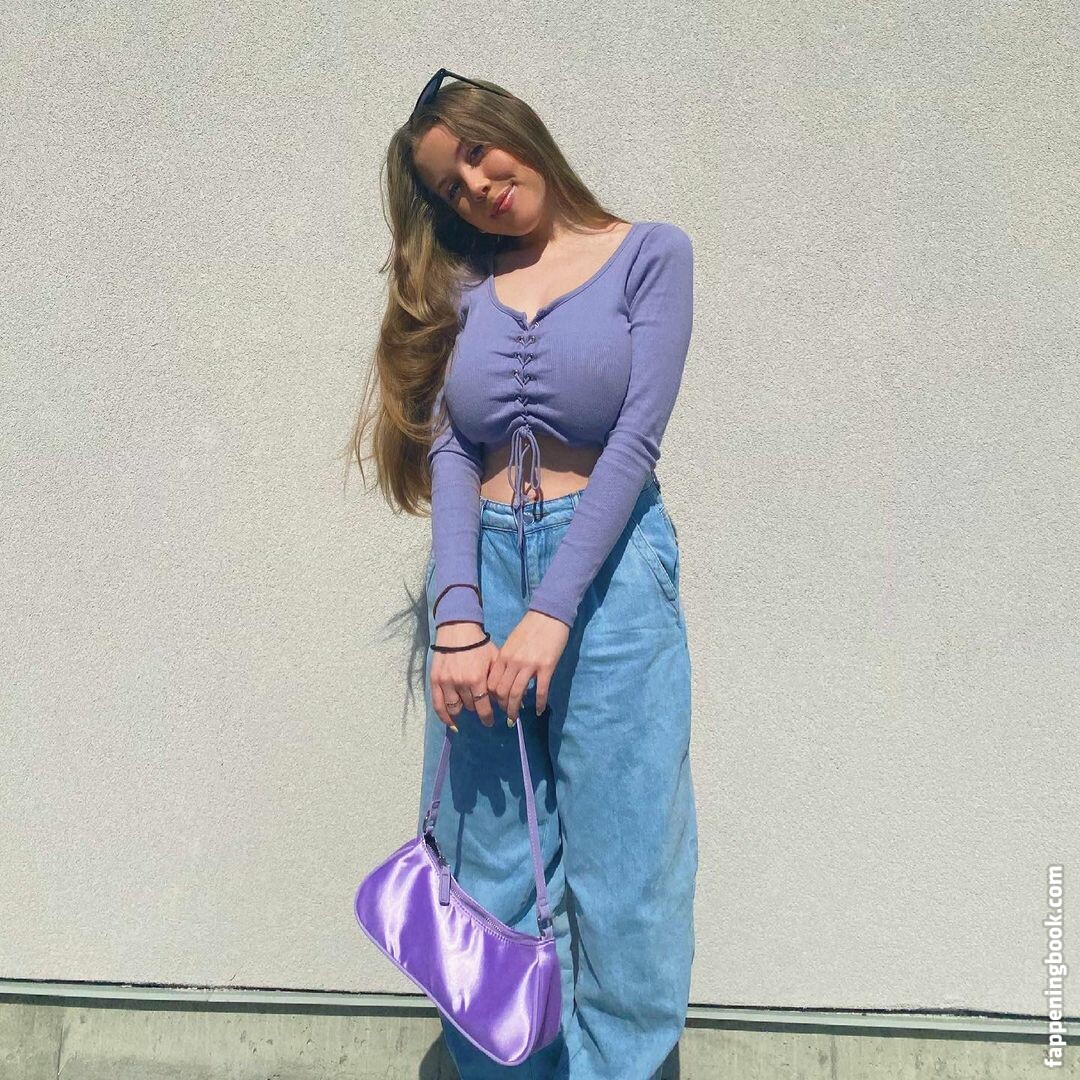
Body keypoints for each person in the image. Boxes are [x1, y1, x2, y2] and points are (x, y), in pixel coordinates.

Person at [349, 70, 698, 1080]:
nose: (476, 185)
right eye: (449, 186)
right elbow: (454, 447)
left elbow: (635, 441)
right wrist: (457, 616)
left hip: (613, 577)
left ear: (514, 127)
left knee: (627, 865)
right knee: (486, 867)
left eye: (475, 152)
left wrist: (551, 611)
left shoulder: (652, 254)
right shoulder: (466, 287)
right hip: (484, 574)